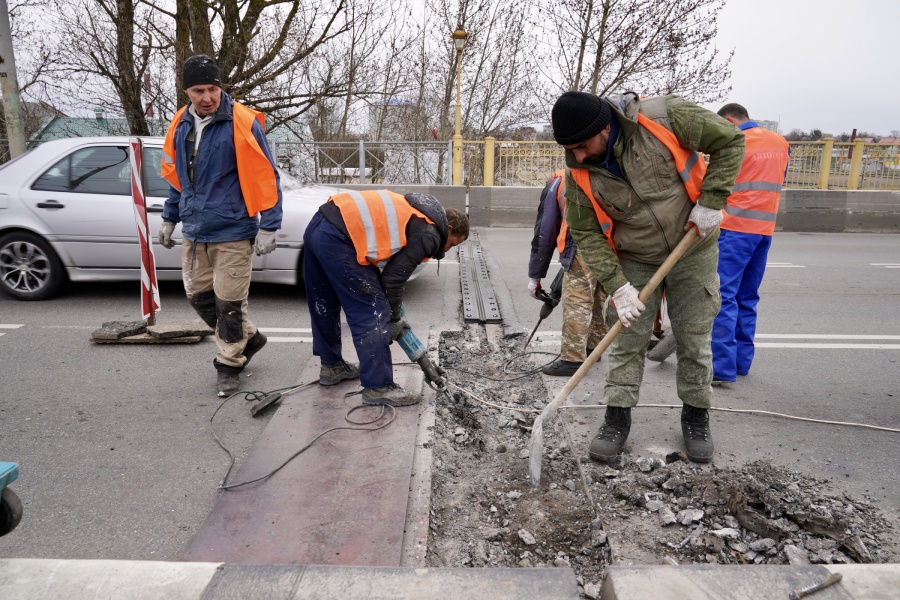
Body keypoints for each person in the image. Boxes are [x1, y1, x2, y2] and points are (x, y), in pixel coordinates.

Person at [551, 90, 744, 464]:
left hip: (693, 246)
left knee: (693, 336)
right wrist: (617, 286)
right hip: (636, 257)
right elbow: (586, 233)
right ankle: (616, 417)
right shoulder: (578, 171)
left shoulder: (664, 118)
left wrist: (712, 199)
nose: (577, 155)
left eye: (582, 145)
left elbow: (731, 141)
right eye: (569, 148)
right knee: (626, 338)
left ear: (605, 127)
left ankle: (696, 416)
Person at [157, 55, 283, 397]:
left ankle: (228, 364)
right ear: (187, 91)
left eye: (213, 89)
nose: (207, 97)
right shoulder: (180, 123)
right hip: (195, 229)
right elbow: (176, 177)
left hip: (233, 229)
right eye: (199, 90)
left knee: (229, 303)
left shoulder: (242, 121)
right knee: (198, 297)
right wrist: (170, 217)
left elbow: (266, 175)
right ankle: (249, 336)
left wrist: (270, 225)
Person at [303, 190, 468, 406]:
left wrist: (396, 314)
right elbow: (393, 281)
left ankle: (332, 365)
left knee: (324, 301)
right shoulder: (429, 233)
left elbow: (387, 272)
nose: (446, 250)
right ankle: (378, 387)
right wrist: (392, 315)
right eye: (452, 244)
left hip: (319, 225)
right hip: (340, 238)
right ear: (450, 229)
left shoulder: (416, 211)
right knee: (373, 309)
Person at [711, 103, 790, 383]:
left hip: (734, 229)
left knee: (723, 297)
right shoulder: (780, 142)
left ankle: (721, 368)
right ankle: (741, 363)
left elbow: (715, 185)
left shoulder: (734, 141)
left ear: (730, 120)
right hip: (764, 230)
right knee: (747, 297)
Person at [528, 170, 609, 376]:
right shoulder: (599, 170)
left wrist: (535, 277)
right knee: (601, 295)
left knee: (578, 300)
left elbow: (545, 232)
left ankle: (572, 359)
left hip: (584, 240)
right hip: (613, 239)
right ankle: (593, 348)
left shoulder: (556, 183)